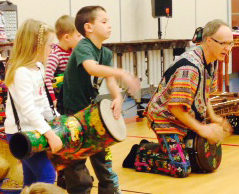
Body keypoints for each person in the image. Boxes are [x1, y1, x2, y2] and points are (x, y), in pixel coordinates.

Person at [126, 19, 234, 178]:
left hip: (185, 115)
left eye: (230, 43)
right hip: (166, 118)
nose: (228, 48)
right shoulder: (190, 67)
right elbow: (175, 108)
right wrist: (202, 128)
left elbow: (206, 95)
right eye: (224, 43)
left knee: (198, 160)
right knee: (181, 168)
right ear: (209, 41)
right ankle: (141, 152)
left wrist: (214, 117)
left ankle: (168, 148)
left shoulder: (212, 60)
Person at [61, 5, 140, 194]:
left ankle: (109, 190)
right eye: (104, 22)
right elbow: (92, 69)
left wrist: (117, 98)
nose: (109, 26)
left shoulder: (106, 53)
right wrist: (122, 72)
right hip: (73, 114)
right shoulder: (83, 46)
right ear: (89, 27)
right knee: (77, 162)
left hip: (92, 113)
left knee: (103, 159)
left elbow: (110, 81)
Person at [4, 19, 63, 187]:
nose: (53, 50)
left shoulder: (38, 67)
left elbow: (43, 102)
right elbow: (28, 109)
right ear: (36, 46)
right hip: (21, 135)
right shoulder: (21, 72)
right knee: (48, 176)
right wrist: (50, 134)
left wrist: (58, 120)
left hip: (35, 131)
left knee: (30, 180)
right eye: (50, 45)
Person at [45, 15, 81, 107]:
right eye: (78, 35)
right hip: (60, 99)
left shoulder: (74, 51)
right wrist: (53, 100)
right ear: (67, 37)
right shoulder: (55, 55)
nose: (81, 39)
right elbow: (47, 78)